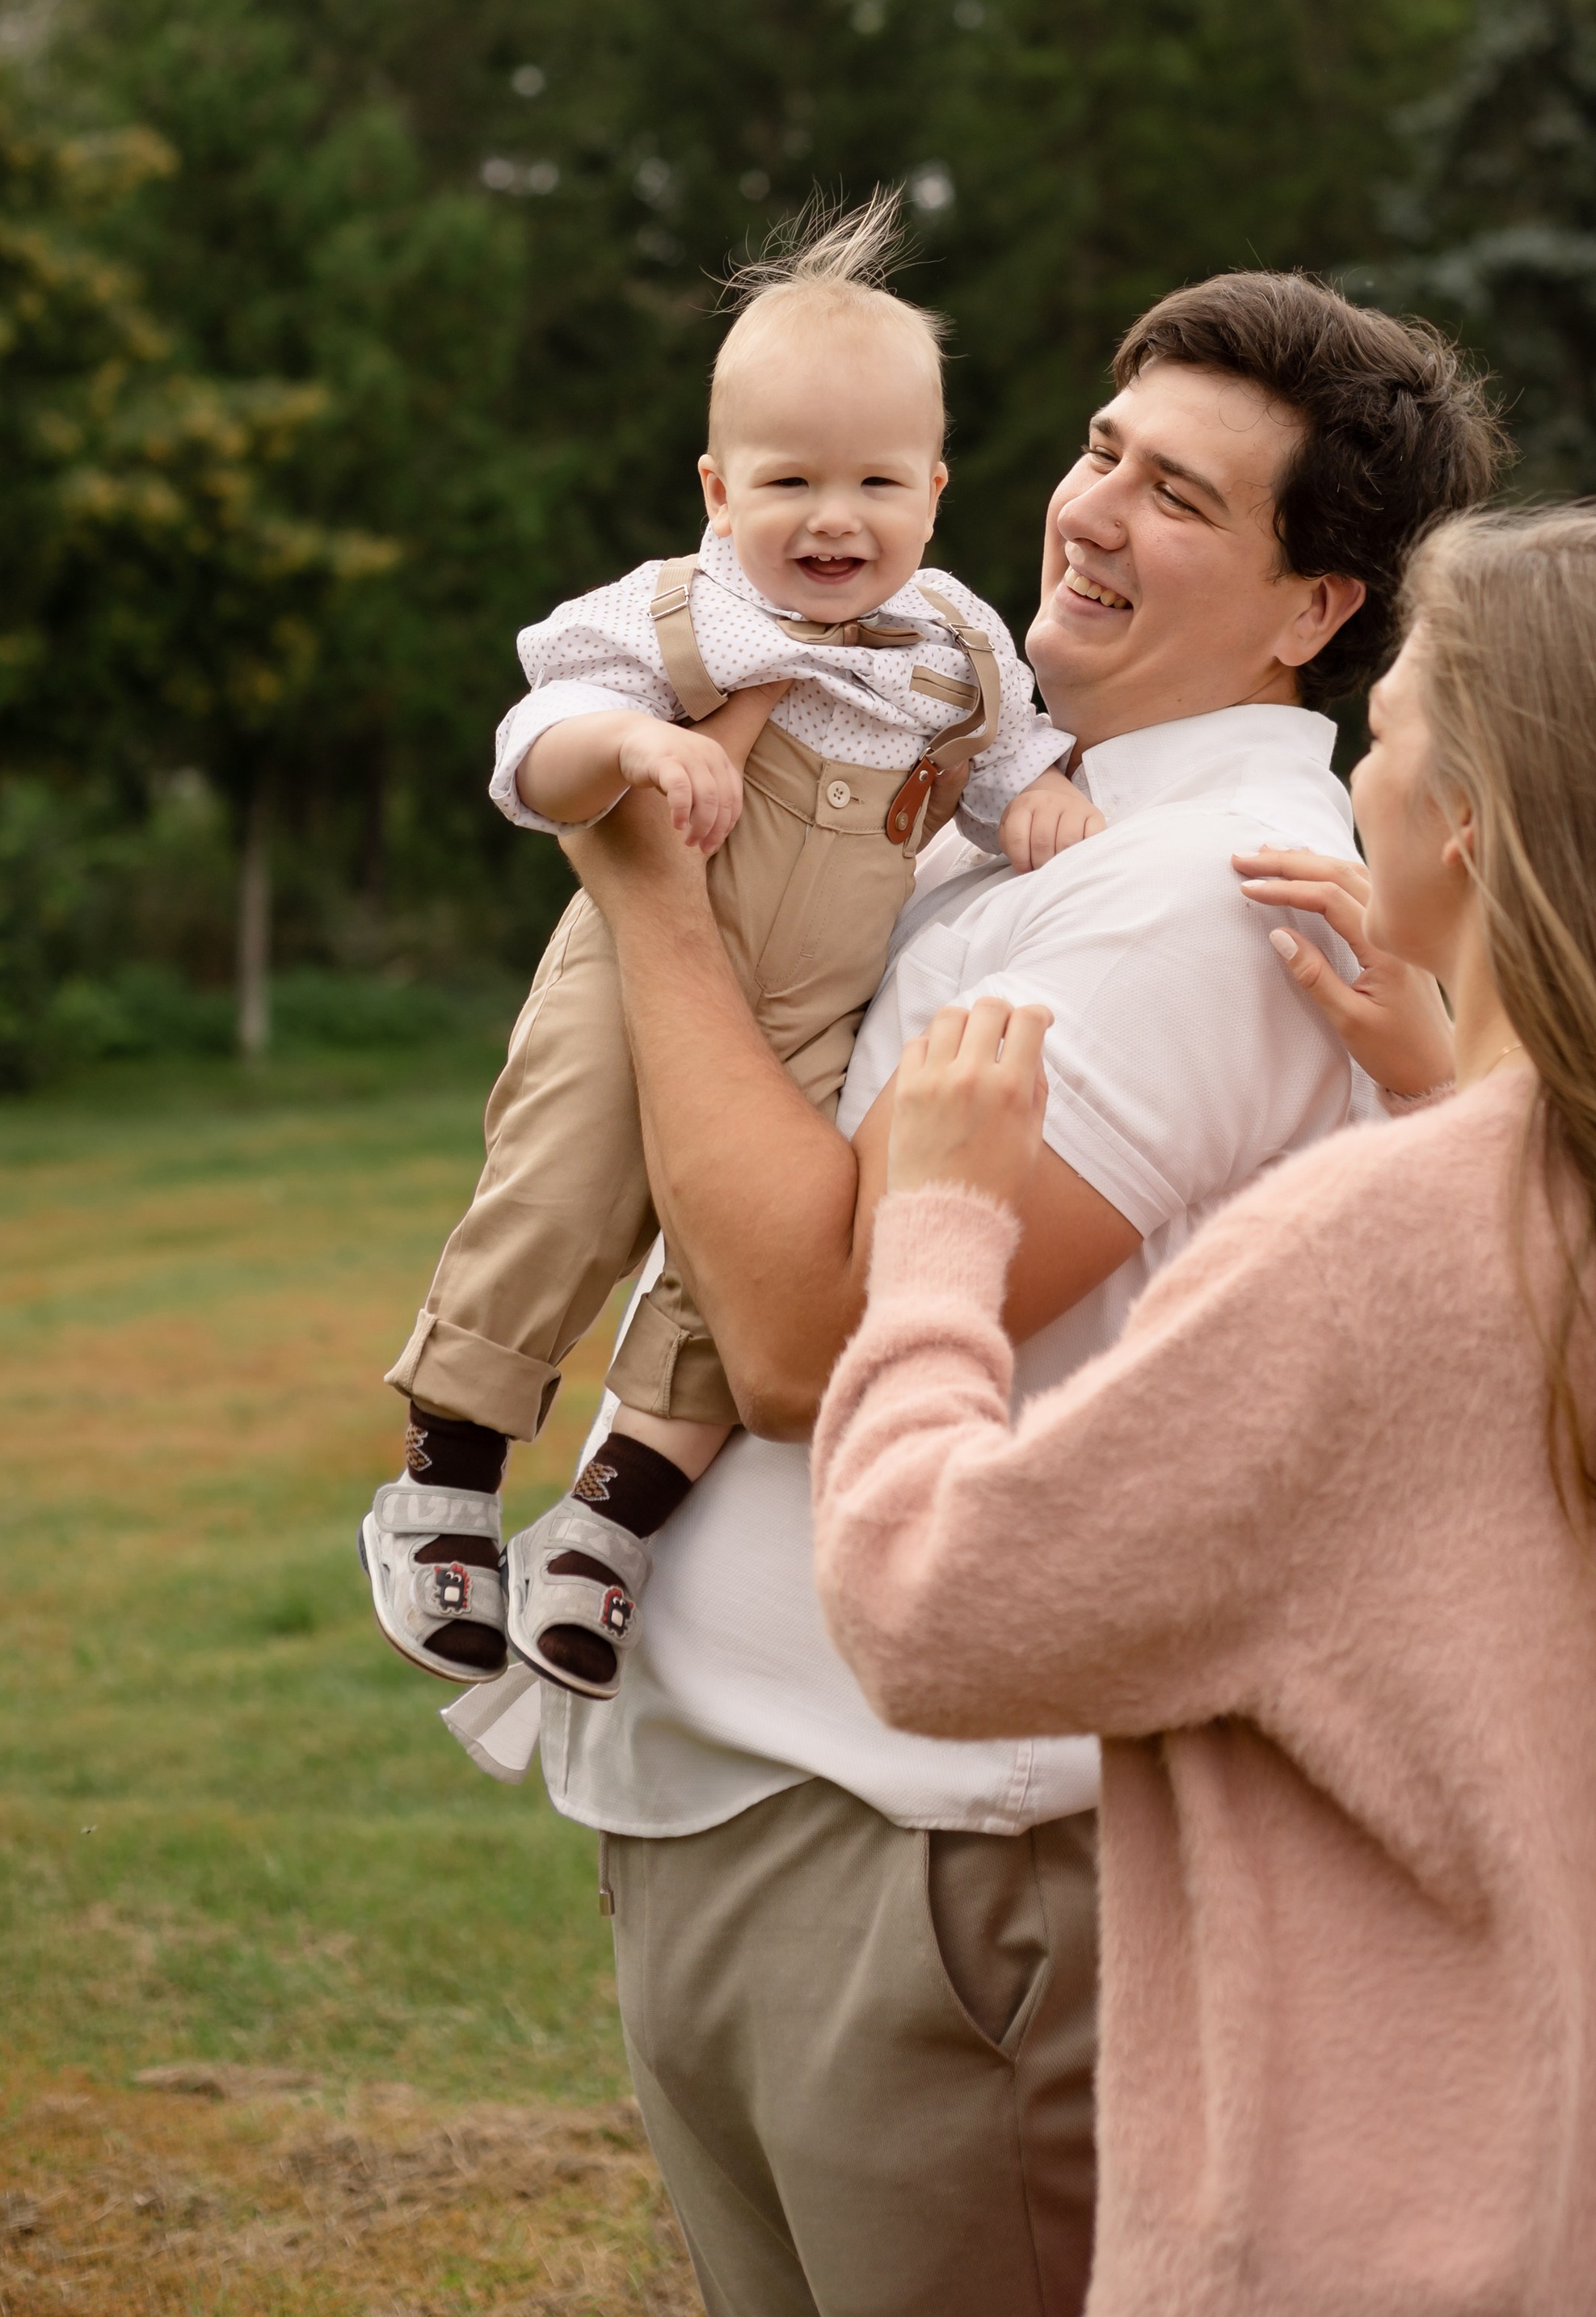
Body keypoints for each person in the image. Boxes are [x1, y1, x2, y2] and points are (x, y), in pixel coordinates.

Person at [459, 273, 1501, 2317]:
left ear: (1311, 606)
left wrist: (649, 888)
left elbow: (805, 1339)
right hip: (753, 1806)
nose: (1090, 510)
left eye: (1178, 496)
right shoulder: (1008, 816)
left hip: (936, 1870)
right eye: (1103, 450)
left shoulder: (1207, 893)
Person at [810, 503, 1596, 2317]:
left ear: (1471, 822)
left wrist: (940, 1227)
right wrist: (1449, 1096)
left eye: (1393, 727)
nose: (1354, 772)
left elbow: (926, 1607)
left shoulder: (1373, 1254)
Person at [361, 195, 1095, 1701]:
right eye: (791, 481)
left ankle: (608, 1528)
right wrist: (634, 743)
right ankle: (445, 1479)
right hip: (630, 982)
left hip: (811, 1015)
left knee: (738, 1265)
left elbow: (1014, 759)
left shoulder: (957, 646)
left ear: (936, 491)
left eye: (876, 482)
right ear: (716, 487)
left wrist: (1044, 800)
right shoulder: (678, 614)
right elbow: (533, 746)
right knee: (556, 1197)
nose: (835, 519)